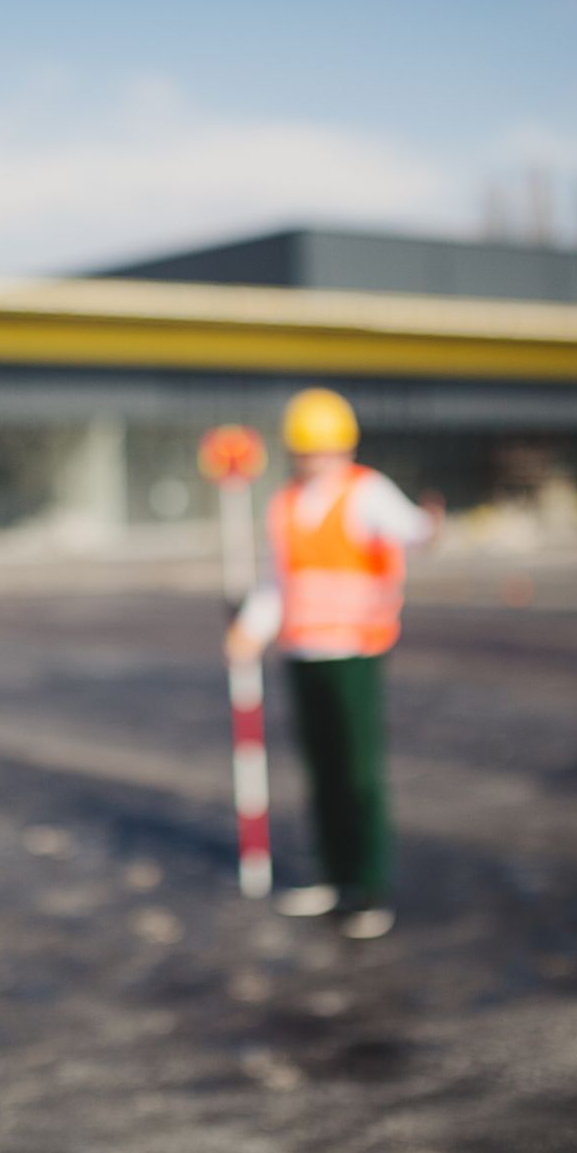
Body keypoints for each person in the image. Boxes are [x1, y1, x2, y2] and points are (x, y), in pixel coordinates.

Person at [225, 388, 442, 939]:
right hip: (303, 652)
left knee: (357, 771)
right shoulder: (285, 505)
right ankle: (332, 875)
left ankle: (368, 887)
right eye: (305, 450)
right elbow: (280, 581)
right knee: (321, 770)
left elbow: (412, 531)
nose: (314, 460)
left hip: (355, 653)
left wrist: (429, 527)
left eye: (323, 449)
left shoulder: (366, 492)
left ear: (343, 448)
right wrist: (250, 629)